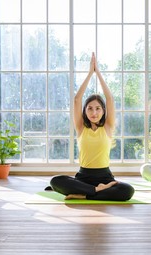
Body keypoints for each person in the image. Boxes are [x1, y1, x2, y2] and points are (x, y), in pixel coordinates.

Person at [49, 53, 134, 200]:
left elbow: (110, 99)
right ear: (85, 110)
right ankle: (95, 190)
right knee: (55, 181)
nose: (94, 112)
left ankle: (85, 194)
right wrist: (90, 73)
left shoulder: (108, 126)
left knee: (128, 190)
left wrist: (98, 73)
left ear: (103, 111)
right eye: (89, 108)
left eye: (98, 108)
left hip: (105, 177)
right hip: (83, 177)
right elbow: (77, 99)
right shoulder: (81, 127)